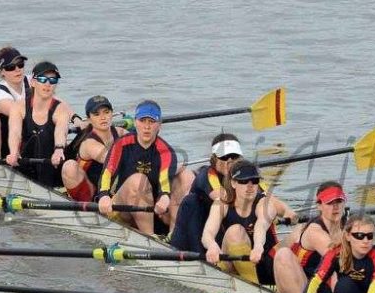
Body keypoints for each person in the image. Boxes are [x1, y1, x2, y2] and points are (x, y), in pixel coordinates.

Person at [95, 100, 193, 235]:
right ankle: (150, 239)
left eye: (151, 122)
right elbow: (107, 172)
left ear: (159, 125)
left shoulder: (166, 151)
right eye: (143, 121)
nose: (147, 127)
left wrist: (164, 196)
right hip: (124, 208)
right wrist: (103, 195)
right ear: (135, 122)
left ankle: (173, 236)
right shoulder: (121, 144)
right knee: (138, 179)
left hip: (153, 208)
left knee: (186, 175)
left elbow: (165, 179)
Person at [201, 160, 297, 287]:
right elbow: (207, 233)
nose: (250, 185)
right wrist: (212, 246)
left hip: (264, 259)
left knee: (301, 231)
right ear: (233, 183)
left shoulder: (265, 203)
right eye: (244, 181)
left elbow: (261, 225)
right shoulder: (222, 204)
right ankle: (254, 288)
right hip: (234, 263)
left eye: (255, 181)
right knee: (235, 231)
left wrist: (258, 247)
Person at [272, 181, 348, 293]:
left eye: (339, 201)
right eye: (329, 202)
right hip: (305, 287)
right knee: (283, 254)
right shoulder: (315, 232)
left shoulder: (347, 227)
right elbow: (341, 258)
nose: (335, 207)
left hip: (324, 283)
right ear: (319, 205)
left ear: (345, 202)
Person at [168, 133, 243, 252]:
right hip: (196, 232)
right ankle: (194, 256)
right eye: (224, 156)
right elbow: (222, 197)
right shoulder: (207, 175)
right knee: (191, 201)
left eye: (233, 156)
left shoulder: (247, 176)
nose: (229, 161)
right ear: (214, 158)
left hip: (222, 231)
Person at [5, 61, 75, 188]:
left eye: (53, 80)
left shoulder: (61, 108)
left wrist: (59, 149)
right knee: (36, 137)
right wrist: (14, 151)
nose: (48, 84)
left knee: (42, 138)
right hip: (26, 164)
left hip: (53, 165)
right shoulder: (19, 106)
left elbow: (61, 130)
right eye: (42, 79)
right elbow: (15, 132)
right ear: (32, 82)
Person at [61, 95, 127, 201]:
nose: (103, 117)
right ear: (89, 119)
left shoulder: (120, 132)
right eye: (96, 114)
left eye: (106, 112)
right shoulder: (89, 144)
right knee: (69, 166)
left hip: (111, 187)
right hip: (91, 192)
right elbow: (114, 161)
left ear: (112, 113)